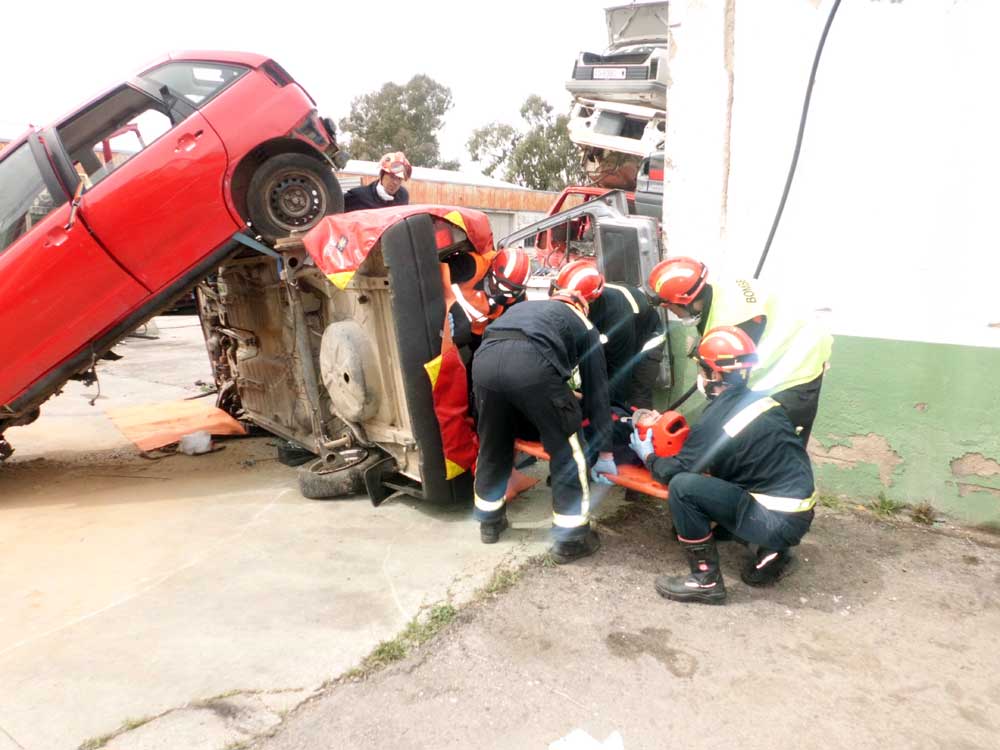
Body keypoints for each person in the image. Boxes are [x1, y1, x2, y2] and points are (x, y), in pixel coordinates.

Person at [629, 326, 816, 605]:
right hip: (798, 513)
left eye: (702, 368)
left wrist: (648, 456)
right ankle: (774, 551)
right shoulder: (762, 401)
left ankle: (706, 581)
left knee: (682, 487)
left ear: (714, 374)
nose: (701, 376)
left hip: (773, 519)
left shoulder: (718, 417)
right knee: (722, 470)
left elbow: (674, 471)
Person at [471, 287, 617, 563]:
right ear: (581, 307)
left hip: (485, 364)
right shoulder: (584, 324)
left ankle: (489, 522)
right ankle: (571, 540)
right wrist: (606, 450)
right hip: (531, 366)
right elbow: (598, 391)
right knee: (568, 452)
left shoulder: (524, 309)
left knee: (494, 443)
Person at [647, 257, 832, 445]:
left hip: (796, 375)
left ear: (687, 301)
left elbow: (728, 390)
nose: (673, 314)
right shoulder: (722, 290)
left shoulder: (731, 323)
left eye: (670, 307)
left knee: (776, 445)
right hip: (809, 343)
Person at [553, 259, 665, 410]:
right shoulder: (573, 299)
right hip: (611, 335)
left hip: (645, 339)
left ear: (590, 300)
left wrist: (606, 410)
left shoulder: (617, 315)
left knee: (636, 394)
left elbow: (620, 371)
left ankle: (634, 428)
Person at [343, 151, 411, 211]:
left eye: (399, 178)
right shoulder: (358, 196)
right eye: (392, 176)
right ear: (381, 174)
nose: (395, 182)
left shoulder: (403, 196)